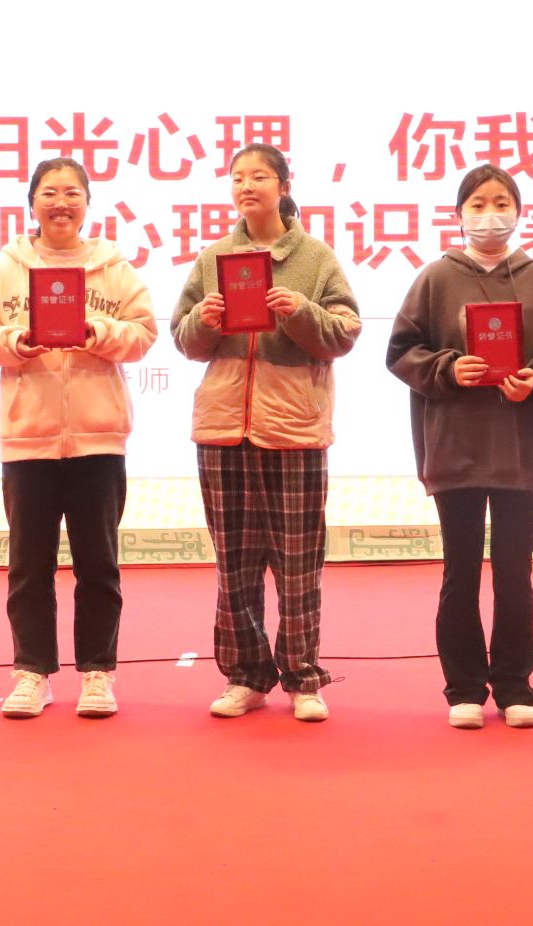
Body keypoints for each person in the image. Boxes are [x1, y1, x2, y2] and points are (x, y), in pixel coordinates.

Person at [387, 164, 533, 730]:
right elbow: (401, 352)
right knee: (460, 573)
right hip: (454, 448)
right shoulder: (435, 278)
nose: (489, 214)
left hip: (520, 449)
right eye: (477, 204)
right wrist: (449, 369)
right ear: (459, 214)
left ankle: (515, 685)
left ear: (518, 212)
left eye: (501, 203)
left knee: (514, 574)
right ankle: (464, 688)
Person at [172, 143, 361, 722]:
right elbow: (182, 338)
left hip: (293, 427)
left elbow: (345, 331)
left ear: (284, 186)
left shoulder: (315, 258)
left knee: (298, 563)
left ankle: (303, 678)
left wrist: (300, 310)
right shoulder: (214, 258)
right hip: (223, 428)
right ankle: (246, 676)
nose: (246, 186)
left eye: (258, 176)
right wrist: (202, 322)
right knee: (234, 564)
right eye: (237, 177)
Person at [0, 158, 158, 719]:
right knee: (30, 566)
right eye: (49, 193)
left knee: (99, 565)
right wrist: (13, 341)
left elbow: (144, 332)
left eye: (72, 193)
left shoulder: (113, 267)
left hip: (99, 441)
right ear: (32, 202)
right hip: (29, 439)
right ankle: (32, 673)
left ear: (87, 203)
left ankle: (98, 674)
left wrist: (101, 332)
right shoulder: (5, 267)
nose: (61, 203)